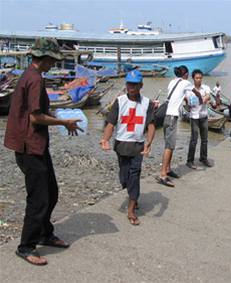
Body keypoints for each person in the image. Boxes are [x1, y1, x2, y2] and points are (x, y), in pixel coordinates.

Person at [3, 38, 82, 266]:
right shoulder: (35, 79)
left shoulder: (29, 75)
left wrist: (56, 115)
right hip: (30, 146)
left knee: (52, 192)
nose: (53, 65)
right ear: (46, 59)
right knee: (38, 198)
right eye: (52, 60)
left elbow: (35, 111)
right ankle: (26, 246)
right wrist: (63, 123)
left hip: (34, 144)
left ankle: (45, 233)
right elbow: (35, 117)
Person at [100, 69, 156, 225]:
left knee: (135, 175)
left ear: (141, 85)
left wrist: (149, 142)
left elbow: (151, 125)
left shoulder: (147, 103)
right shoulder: (119, 102)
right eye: (129, 84)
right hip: (121, 144)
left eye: (135, 85)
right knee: (124, 177)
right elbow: (111, 123)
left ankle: (131, 210)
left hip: (138, 145)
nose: (131, 87)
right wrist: (105, 139)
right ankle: (132, 193)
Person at [157, 65, 203, 187]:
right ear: (186, 74)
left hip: (166, 116)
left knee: (170, 145)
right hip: (172, 117)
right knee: (169, 146)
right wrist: (200, 99)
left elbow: (180, 97)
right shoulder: (185, 83)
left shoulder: (172, 82)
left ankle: (167, 169)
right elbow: (196, 92)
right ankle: (162, 175)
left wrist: (187, 102)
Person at [185, 69, 212, 169]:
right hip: (194, 117)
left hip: (204, 116)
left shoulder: (206, 87)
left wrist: (205, 97)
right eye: (197, 78)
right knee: (194, 139)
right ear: (193, 78)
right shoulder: (189, 90)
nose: (199, 80)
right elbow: (188, 104)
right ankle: (190, 161)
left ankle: (203, 158)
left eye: (200, 78)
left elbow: (208, 97)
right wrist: (188, 102)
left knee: (204, 139)